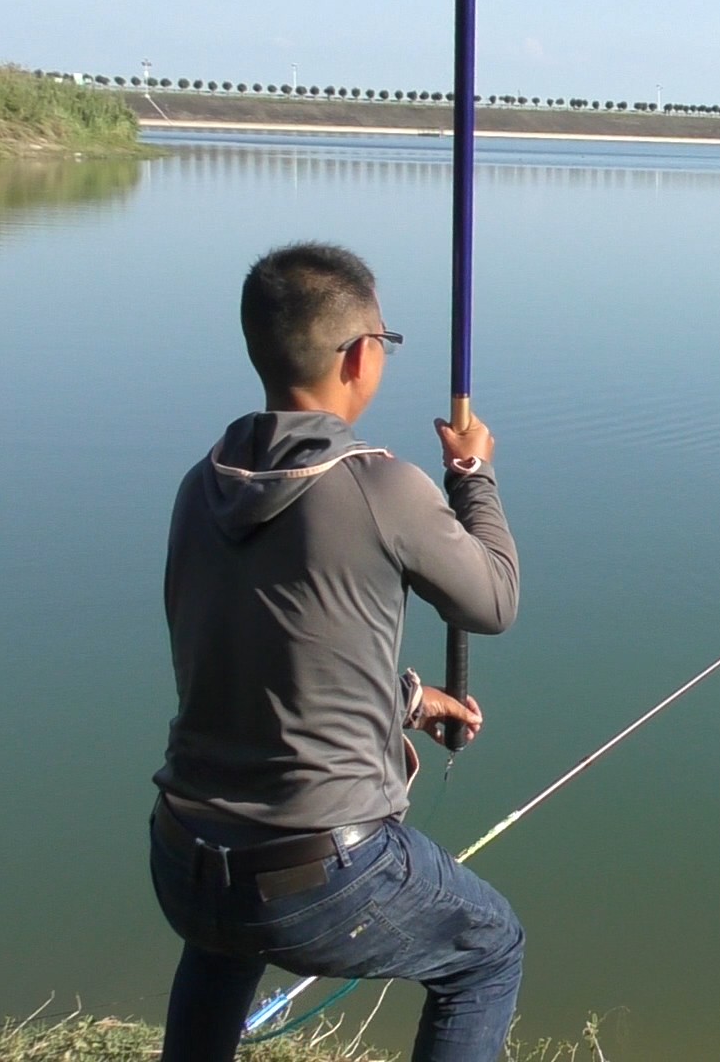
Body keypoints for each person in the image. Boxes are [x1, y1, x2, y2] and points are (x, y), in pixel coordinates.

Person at [148, 242, 523, 1062]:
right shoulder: (379, 486)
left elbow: (256, 671)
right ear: (359, 356)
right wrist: (472, 475)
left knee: (224, 940)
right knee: (490, 951)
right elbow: (493, 600)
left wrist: (410, 702)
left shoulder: (200, 486)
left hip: (183, 860)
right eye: (383, 343)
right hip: (321, 879)